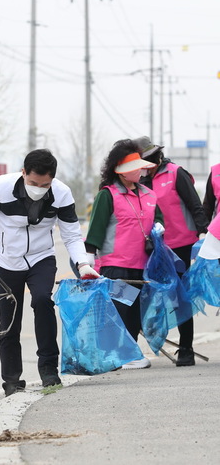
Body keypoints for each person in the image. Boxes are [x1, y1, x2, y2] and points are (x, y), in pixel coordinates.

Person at [0, 148, 99, 396]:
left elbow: (71, 234)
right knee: (10, 321)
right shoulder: (1, 188)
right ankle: (12, 379)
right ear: (23, 172)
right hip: (7, 261)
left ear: (52, 180)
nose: (38, 188)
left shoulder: (61, 194)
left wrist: (82, 264)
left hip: (41, 258)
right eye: (33, 182)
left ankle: (49, 370)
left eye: (44, 184)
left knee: (43, 301)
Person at [84, 139, 164, 369]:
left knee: (136, 311)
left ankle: (128, 353)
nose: (141, 170)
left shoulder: (149, 195)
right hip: (116, 264)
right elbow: (96, 227)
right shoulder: (107, 195)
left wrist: (159, 225)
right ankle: (116, 354)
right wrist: (89, 255)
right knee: (119, 310)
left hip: (143, 264)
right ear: (121, 171)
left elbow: (157, 217)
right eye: (135, 167)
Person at [136, 135, 209, 367]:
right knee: (150, 295)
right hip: (153, 247)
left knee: (180, 295)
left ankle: (186, 348)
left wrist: (203, 235)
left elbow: (195, 206)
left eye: (149, 159)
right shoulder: (139, 180)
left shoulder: (176, 173)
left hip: (181, 244)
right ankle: (142, 347)